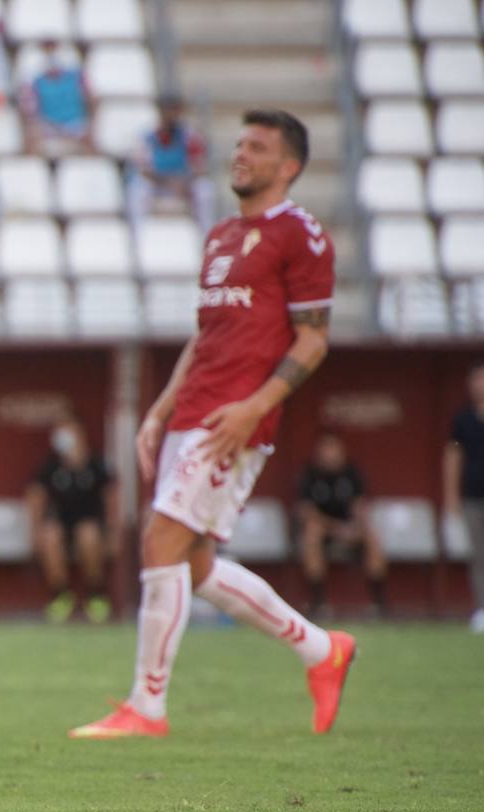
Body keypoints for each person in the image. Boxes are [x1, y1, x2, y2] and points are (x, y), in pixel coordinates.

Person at [70, 110, 357, 739]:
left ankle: (146, 707)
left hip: (234, 417)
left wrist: (255, 407)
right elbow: (206, 335)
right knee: (193, 567)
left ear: (290, 166)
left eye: (258, 146)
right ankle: (321, 649)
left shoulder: (302, 235)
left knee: (160, 541)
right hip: (193, 411)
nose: (241, 154)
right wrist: (163, 406)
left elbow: (313, 342)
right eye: (240, 143)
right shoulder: (222, 235)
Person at [27, 416, 119, 624]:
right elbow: (35, 494)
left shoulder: (96, 464)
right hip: (60, 522)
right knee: (50, 535)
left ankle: (96, 594)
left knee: (87, 534)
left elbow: (111, 496)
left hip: (90, 522)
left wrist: (114, 531)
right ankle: (60, 595)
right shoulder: (51, 465)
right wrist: (34, 529)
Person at [296, 431, 388, 618]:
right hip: (324, 528)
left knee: (372, 535)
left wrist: (356, 526)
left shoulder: (351, 473)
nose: (330, 455)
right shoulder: (311, 474)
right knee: (312, 533)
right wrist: (336, 529)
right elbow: (307, 512)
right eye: (326, 450)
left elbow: (360, 506)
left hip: (349, 528)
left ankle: (378, 603)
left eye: (334, 450)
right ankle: (319, 603)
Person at [126, 95, 216, 234]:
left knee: (204, 189)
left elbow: (200, 167)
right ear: (160, 112)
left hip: (183, 184)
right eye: (169, 110)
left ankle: (205, 235)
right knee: (138, 188)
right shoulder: (146, 136)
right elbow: (143, 169)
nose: (173, 115)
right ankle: (137, 237)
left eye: (176, 110)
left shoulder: (189, 136)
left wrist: (184, 181)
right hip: (157, 185)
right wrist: (168, 182)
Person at [444, 363, 484, 632]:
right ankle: (482, 608)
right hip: (473, 495)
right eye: (476, 380)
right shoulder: (463, 419)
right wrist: (451, 496)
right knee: (479, 556)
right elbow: (453, 456)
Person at [20, 39, 94, 157]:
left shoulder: (76, 77)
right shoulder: (35, 82)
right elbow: (29, 110)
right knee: (31, 139)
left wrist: (87, 125)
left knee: (90, 141)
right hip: (48, 124)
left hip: (75, 123)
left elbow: (90, 101)